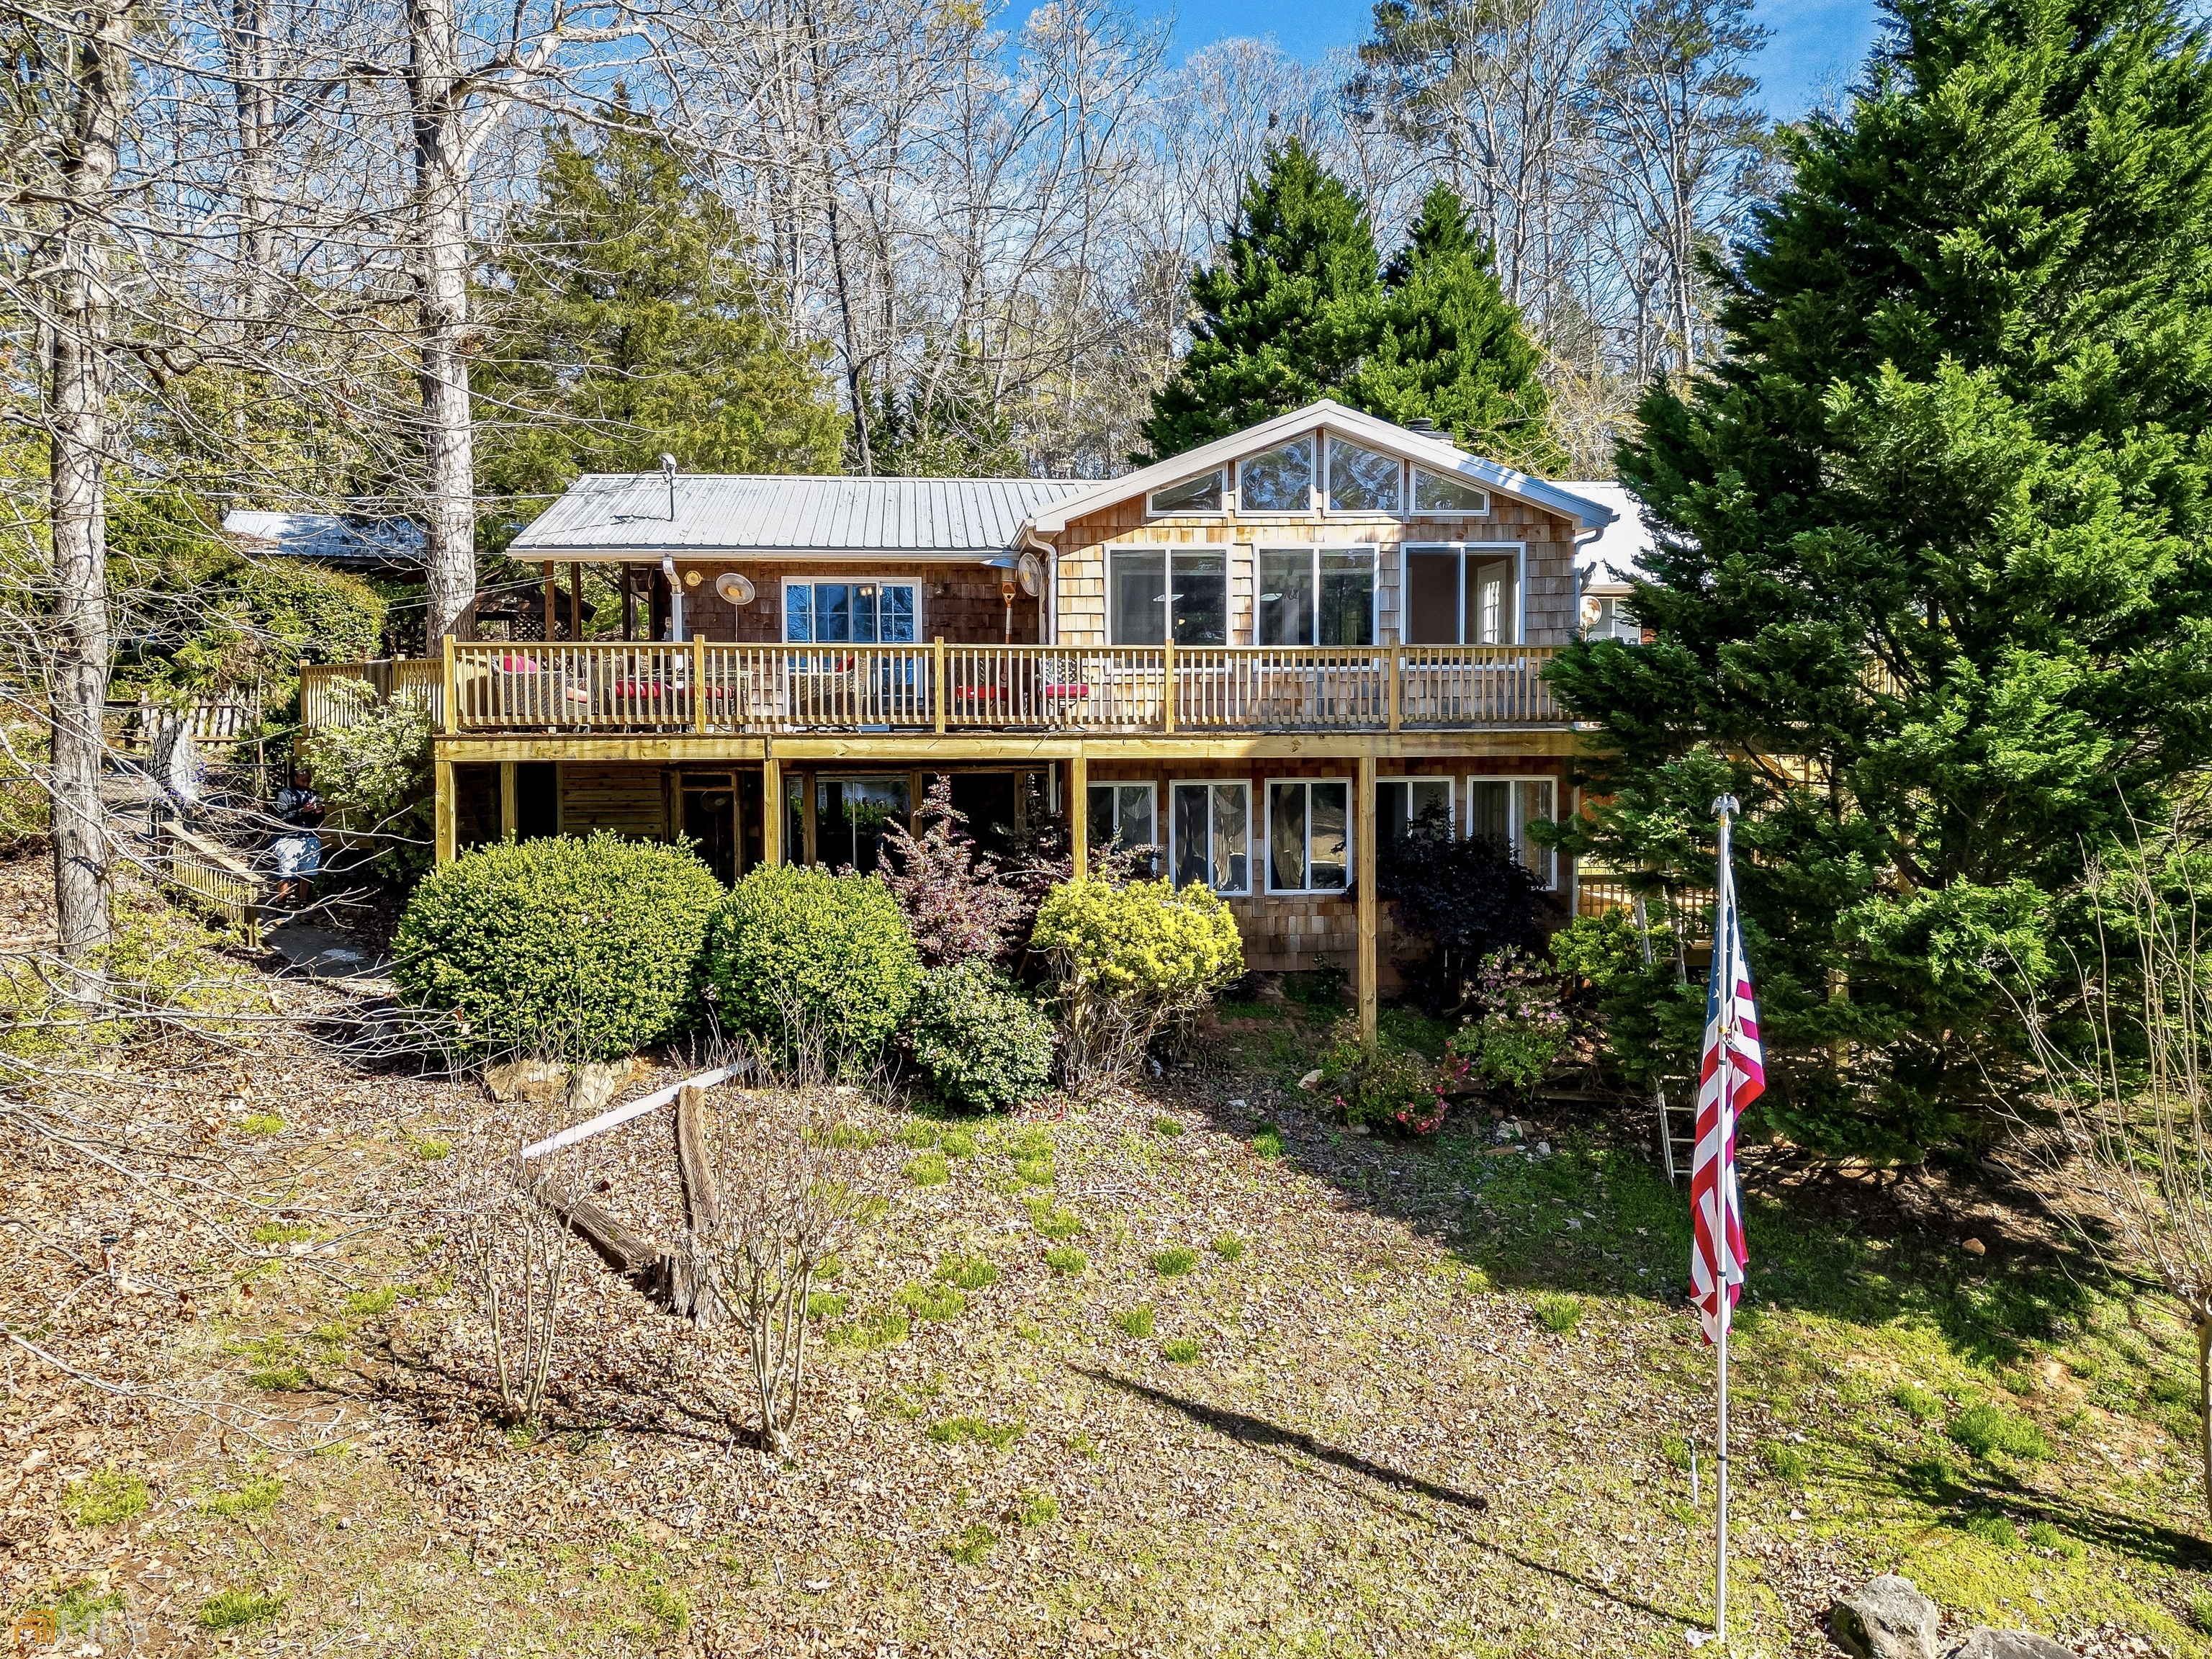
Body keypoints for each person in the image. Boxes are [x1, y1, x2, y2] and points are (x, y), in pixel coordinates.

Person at [270, 770, 325, 907]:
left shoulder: (314, 794)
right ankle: (281, 911)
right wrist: (302, 811)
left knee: (308, 874)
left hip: (309, 837)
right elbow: (281, 817)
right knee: (286, 875)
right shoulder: (286, 794)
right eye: (302, 780)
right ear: (295, 779)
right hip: (289, 838)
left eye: (308, 781)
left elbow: (319, 820)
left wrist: (319, 812)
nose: (305, 783)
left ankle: (303, 908)